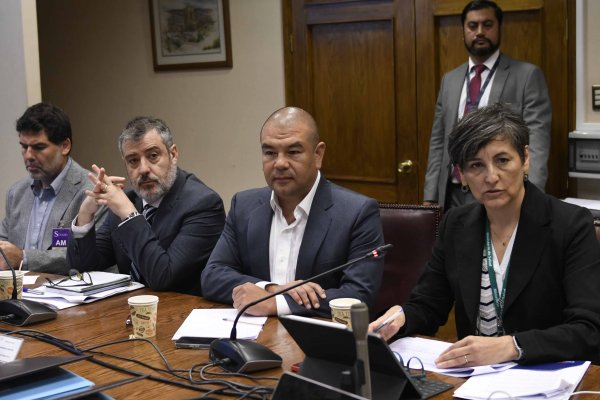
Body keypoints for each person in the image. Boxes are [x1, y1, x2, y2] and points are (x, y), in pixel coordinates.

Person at [371, 103, 600, 366]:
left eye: (502, 160)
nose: (491, 177)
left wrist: (512, 346)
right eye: (476, 165)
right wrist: (401, 317)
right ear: (462, 175)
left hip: (544, 376)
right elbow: (429, 303)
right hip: (474, 380)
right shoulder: (456, 224)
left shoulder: (570, 225)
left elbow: (589, 329)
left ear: (525, 158)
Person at [201, 107, 384, 317]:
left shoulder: (357, 212)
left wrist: (278, 304)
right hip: (252, 338)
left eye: (293, 152)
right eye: (269, 152)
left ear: (318, 154)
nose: (279, 163)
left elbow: (359, 297)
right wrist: (271, 290)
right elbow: (212, 276)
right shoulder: (244, 205)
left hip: (317, 342)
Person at [67, 116, 225, 295]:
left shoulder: (203, 204)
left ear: (173, 155)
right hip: (131, 312)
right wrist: (85, 213)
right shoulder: (128, 199)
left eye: (153, 156)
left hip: (183, 315)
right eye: (133, 160)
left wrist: (130, 215)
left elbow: (163, 277)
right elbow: (82, 271)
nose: (143, 169)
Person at [423, 0, 551, 210]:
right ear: (463, 31)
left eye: (487, 25)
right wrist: (430, 195)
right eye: (473, 26)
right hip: (453, 193)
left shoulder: (527, 76)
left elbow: (537, 142)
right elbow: (438, 141)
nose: (480, 32)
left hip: (499, 189)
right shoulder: (450, 80)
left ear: (499, 28)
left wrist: (531, 196)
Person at [0, 103, 106, 274]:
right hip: (19, 295)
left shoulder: (93, 192)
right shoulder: (16, 193)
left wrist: (23, 258)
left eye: (38, 147)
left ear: (65, 146)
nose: (28, 156)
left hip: (72, 295)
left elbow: (88, 256)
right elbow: (4, 244)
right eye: (24, 146)